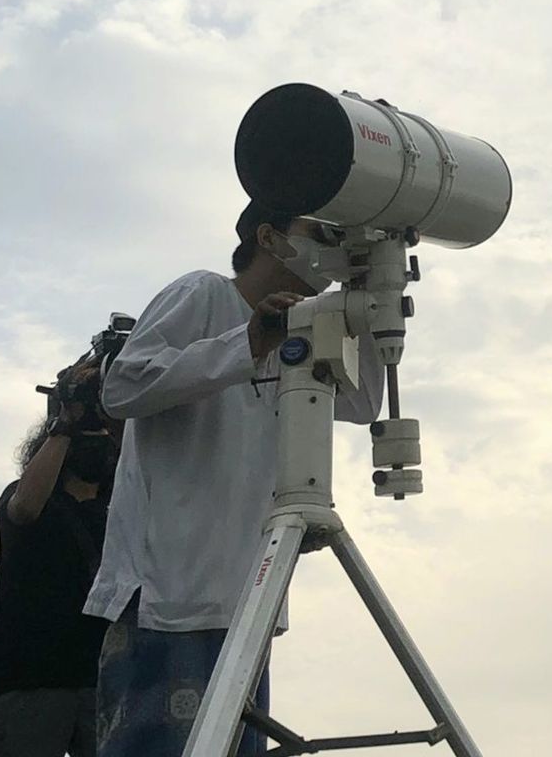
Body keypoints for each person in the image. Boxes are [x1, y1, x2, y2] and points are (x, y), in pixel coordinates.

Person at [84, 202, 384, 756]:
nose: (330, 246)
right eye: (320, 233)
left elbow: (363, 401)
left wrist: (370, 299)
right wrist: (249, 342)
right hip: (169, 591)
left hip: (247, 596)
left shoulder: (311, 320)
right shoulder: (204, 294)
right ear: (268, 237)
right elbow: (122, 388)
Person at [0, 359, 120, 757]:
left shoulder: (120, 508)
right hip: (31, 679)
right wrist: (66, 421)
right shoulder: (30, 496)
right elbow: (24, 509)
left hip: (103, 678)